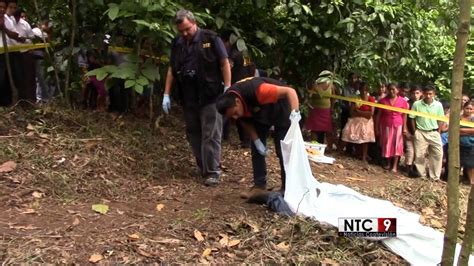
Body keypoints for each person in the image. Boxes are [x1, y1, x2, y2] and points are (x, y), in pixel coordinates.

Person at [162, 9, 231, 186]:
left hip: (210, 94)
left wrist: (228, 87)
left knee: (211, 133)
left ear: (194, 23)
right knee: (193, 132)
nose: (185, 34)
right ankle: (203, 166)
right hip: (188, 96)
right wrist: (166, 94)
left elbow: (224, 63)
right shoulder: (178, 43)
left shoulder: (211, 39)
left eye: (187, 29)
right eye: (181, 31)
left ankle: (212, 171)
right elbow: (171, 69)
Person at [215, 77, 300, 198]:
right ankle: (259, 186)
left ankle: (287, 188)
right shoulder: (232, 102)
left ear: (237, 102)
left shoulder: (259, 91)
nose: (234, 117)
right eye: (231, 116)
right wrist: (257, 141)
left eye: (234, 113)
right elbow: (244, 121)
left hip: (282, 108)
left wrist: (295, 114)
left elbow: (290, 92)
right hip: (260, 112)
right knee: (256, 149)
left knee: (283, 150)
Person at [221, 31, 252, 148]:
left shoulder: (233, 55)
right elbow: (251, 67)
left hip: (236, 85)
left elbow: (228, 68)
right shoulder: (245, 53)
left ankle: (226, 136)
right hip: (247, 83)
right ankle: (245, 140)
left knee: (230, 109)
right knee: (242, 111)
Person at [409, 85, 444, 180]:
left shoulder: (438, 105)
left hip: (434, 132)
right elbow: (412, 117)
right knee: (419, 155)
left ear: (434, 94)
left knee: (438, 154)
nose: (428, 96)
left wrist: (439, 132)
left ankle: (435, 177)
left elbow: (441, 119)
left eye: (430, 94)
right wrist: (415, 131)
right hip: (420, 132)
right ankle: (422, 175)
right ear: (423, 93)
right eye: (426, 93)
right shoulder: (416, 104)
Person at [375, 83, 408, 172]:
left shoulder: (403, 101)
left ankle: (394, 166)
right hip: (385, 125)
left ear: (397, 90)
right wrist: (377, 128)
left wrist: (404, 128)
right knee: (387, 144)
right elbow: (378, 115)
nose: (392, 91)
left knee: (397, 145)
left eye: (394, 89)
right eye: (390, 89)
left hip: (398, 125)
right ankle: (388, 163)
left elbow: (405, 115)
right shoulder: (383, 101)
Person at [341, 81, 376, 163]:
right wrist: (362, 113)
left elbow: (370, 114)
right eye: (362, 90)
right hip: (355, 120)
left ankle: (364, 157)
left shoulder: (371, 99)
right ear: (359, 90)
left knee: (365, 139)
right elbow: (352, 112)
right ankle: (340, 151)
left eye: (365, 90)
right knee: (346, 133)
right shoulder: (356, 98)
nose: (364, 92)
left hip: (366, 122)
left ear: (367, 91)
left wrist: (359, 112)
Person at [304, 71, 336, 150]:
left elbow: (333, 98)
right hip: (316, 110)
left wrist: (332, 108)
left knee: (328, 129)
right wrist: (309, 106)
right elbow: (308, 96)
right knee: (314, 129)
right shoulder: (315, 85)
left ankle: (329, 147)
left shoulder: (331, 85)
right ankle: (314, 146)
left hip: (326, 110)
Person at [404, 84, 422, 174]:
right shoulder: (407, 104)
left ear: (421, 93)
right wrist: (406, 130)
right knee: (410, 150)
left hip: (420, 132)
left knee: (418, 152)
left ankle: (415, 169)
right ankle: (408, 169)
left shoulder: (423, 105)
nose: (415, 95)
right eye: (413, 93)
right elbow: (405, 118)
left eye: (417, 93)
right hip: (409, 131)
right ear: (410, 94)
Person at [459, 101, 474, 185]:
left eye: (470, 109)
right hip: (459, 144)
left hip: (471, 143)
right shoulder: (459, 117)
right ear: (463, 108)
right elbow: (455, 129)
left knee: (471, 165)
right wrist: (469, 131)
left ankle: (472, 181)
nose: (468, 110)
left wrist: (462, 131)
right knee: (459, 163)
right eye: (467, 108)